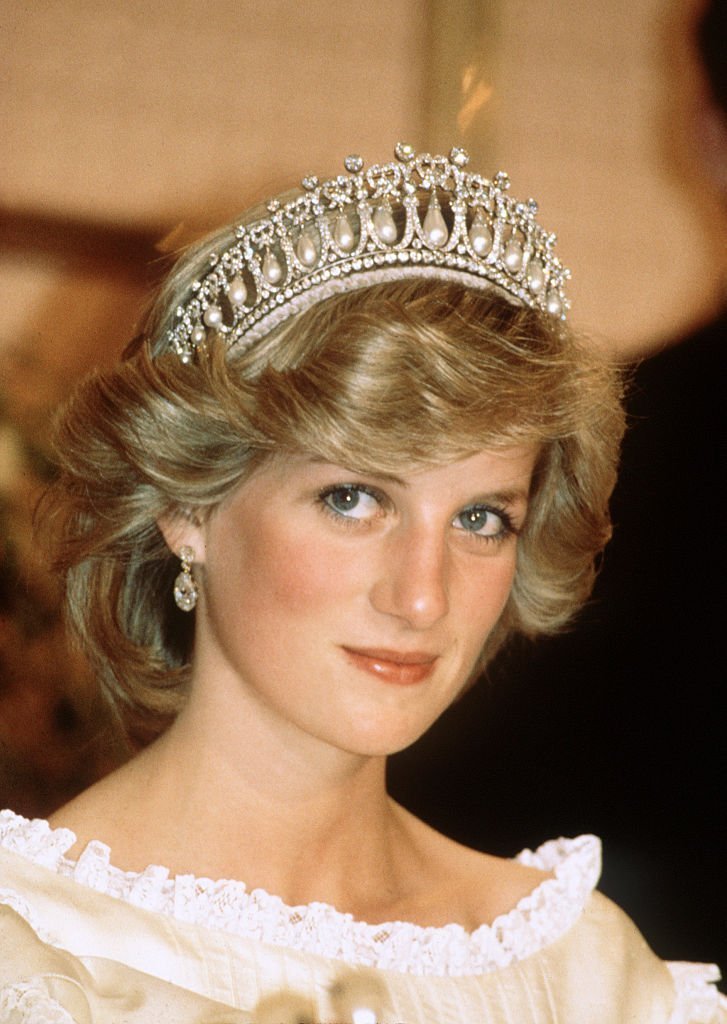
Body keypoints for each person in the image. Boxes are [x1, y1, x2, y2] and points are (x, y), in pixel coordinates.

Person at [0, 144, 723, 1023]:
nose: (422, 598)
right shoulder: (34, 952)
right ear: (190, 506)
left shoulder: (592, 977)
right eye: (353, 499)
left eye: (480, 519)